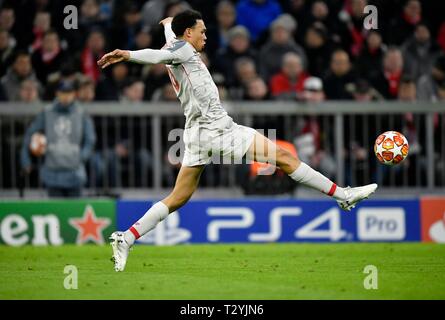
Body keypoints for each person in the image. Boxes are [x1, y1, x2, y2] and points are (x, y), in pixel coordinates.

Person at [97, 10, 378, 272]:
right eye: (202, 31)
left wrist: (168, 24)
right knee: (285, 158)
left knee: (178, 197)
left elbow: (168, 44)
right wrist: (128, 54)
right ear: (189, 34)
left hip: (196, 133)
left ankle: (127, 237)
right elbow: (156, 56)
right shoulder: (182, 49)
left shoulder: (179, 47)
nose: (206, 36)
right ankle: (343, 195)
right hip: (217, 130)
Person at [20, 80, 96, 198]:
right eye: (63, 93)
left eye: (69, 93)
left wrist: (81, 157)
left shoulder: (81, 112)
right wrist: (25, 159)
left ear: (74, 94)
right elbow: (30, 133)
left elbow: (90, 139)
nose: (66, 97)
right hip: (52, 172)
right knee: (57, 211)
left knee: (74, 212)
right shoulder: (47, 112)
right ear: (57, 94)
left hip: (74, 172)